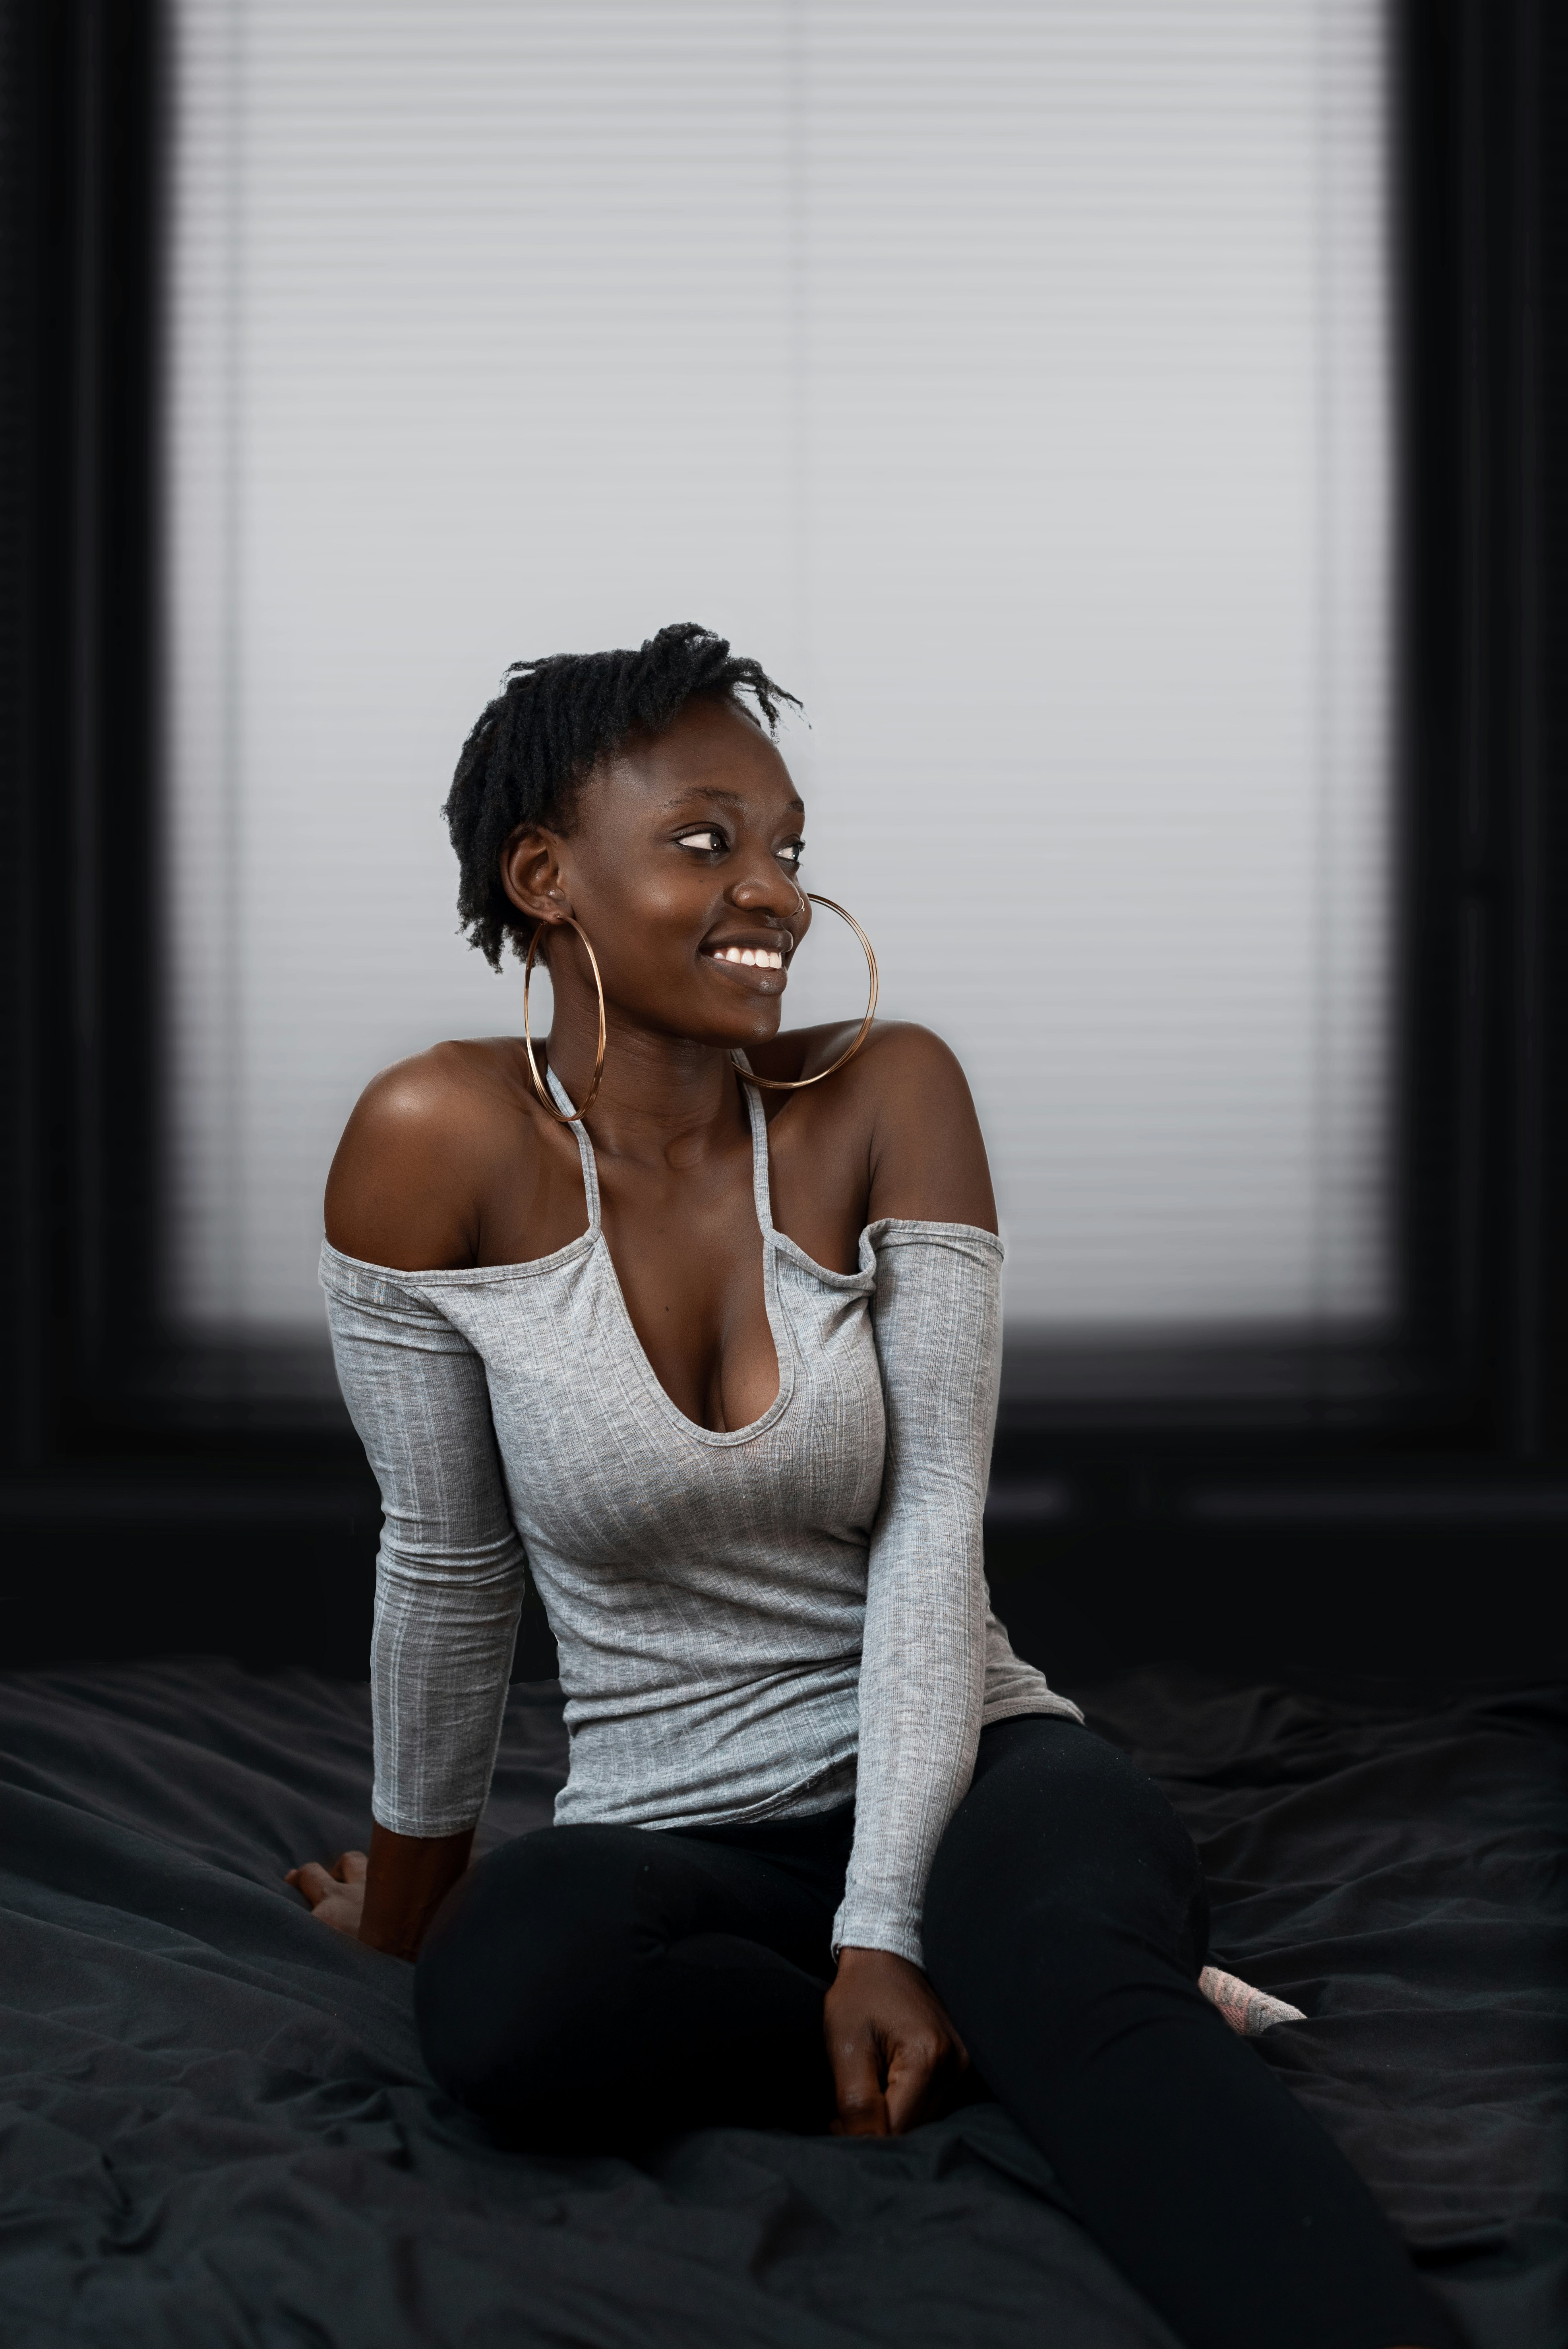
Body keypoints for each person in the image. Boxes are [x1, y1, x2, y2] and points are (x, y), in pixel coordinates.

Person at [289, 625, 1453, 2349]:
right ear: (546, 875)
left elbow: (930, 1534)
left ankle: (1037, 2006)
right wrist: (405, 1914)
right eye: (705, 840)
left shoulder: (887, 1093)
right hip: (672, 1825)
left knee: (1071, 1972)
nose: (773, 891)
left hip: (978, 1769)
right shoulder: (428, 1138)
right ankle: (987, 2020)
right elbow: (449, 1564)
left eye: (789, 848)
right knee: (502, 2005)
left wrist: (890, 1922)